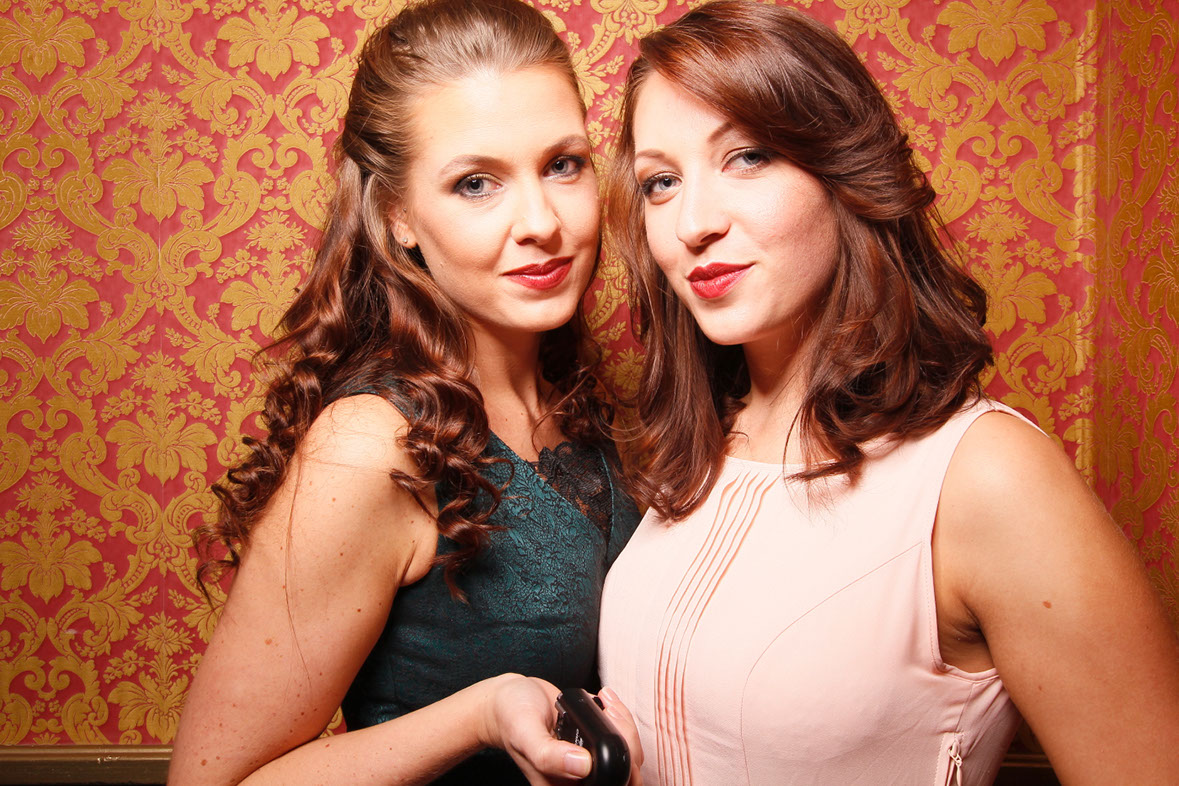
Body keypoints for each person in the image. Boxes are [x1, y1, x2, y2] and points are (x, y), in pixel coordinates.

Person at [597, 2, 1179, 784]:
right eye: (661, 182)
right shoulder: (698, 450)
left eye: (748, 157)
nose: (691, 223)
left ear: (843, 169)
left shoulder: (985, 475)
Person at [169, 1, 641, 783]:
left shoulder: (589, 409)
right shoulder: (370, 446)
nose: (541, 221)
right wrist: (476, 717)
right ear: (397, 217)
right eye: (475, 183)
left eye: (563, 165)